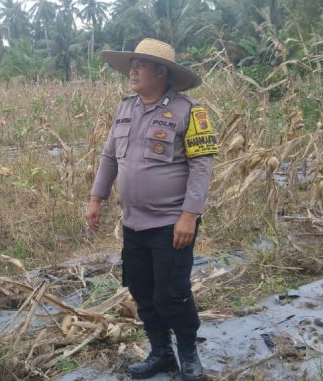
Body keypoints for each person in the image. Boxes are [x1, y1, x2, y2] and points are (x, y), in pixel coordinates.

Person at [85, 38, 218, 381]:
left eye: (141, 65)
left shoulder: (190, 111)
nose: (132, 71)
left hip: (171, 224)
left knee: (172, 295)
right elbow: (109, 157)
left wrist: (189, 215)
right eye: (132, 65)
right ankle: (161, 354)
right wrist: (96, 199)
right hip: (133, 224)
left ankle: (188, 355)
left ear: (161, 72)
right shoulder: (125, 109)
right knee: (142, 292)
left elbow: (201, 167)